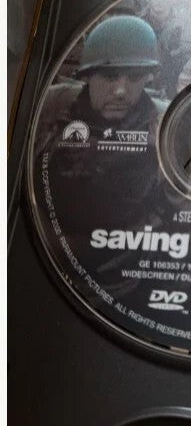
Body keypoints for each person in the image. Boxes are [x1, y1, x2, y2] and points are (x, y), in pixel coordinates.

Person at [35, 15, 169, 293]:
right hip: (42, 251)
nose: (120, 90)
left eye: (134, 78)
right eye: (109, 77)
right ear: (87, 76)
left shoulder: (165, 124)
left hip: (123, 270)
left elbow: (180, 217)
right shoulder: (51, 107)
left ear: (147, 77)